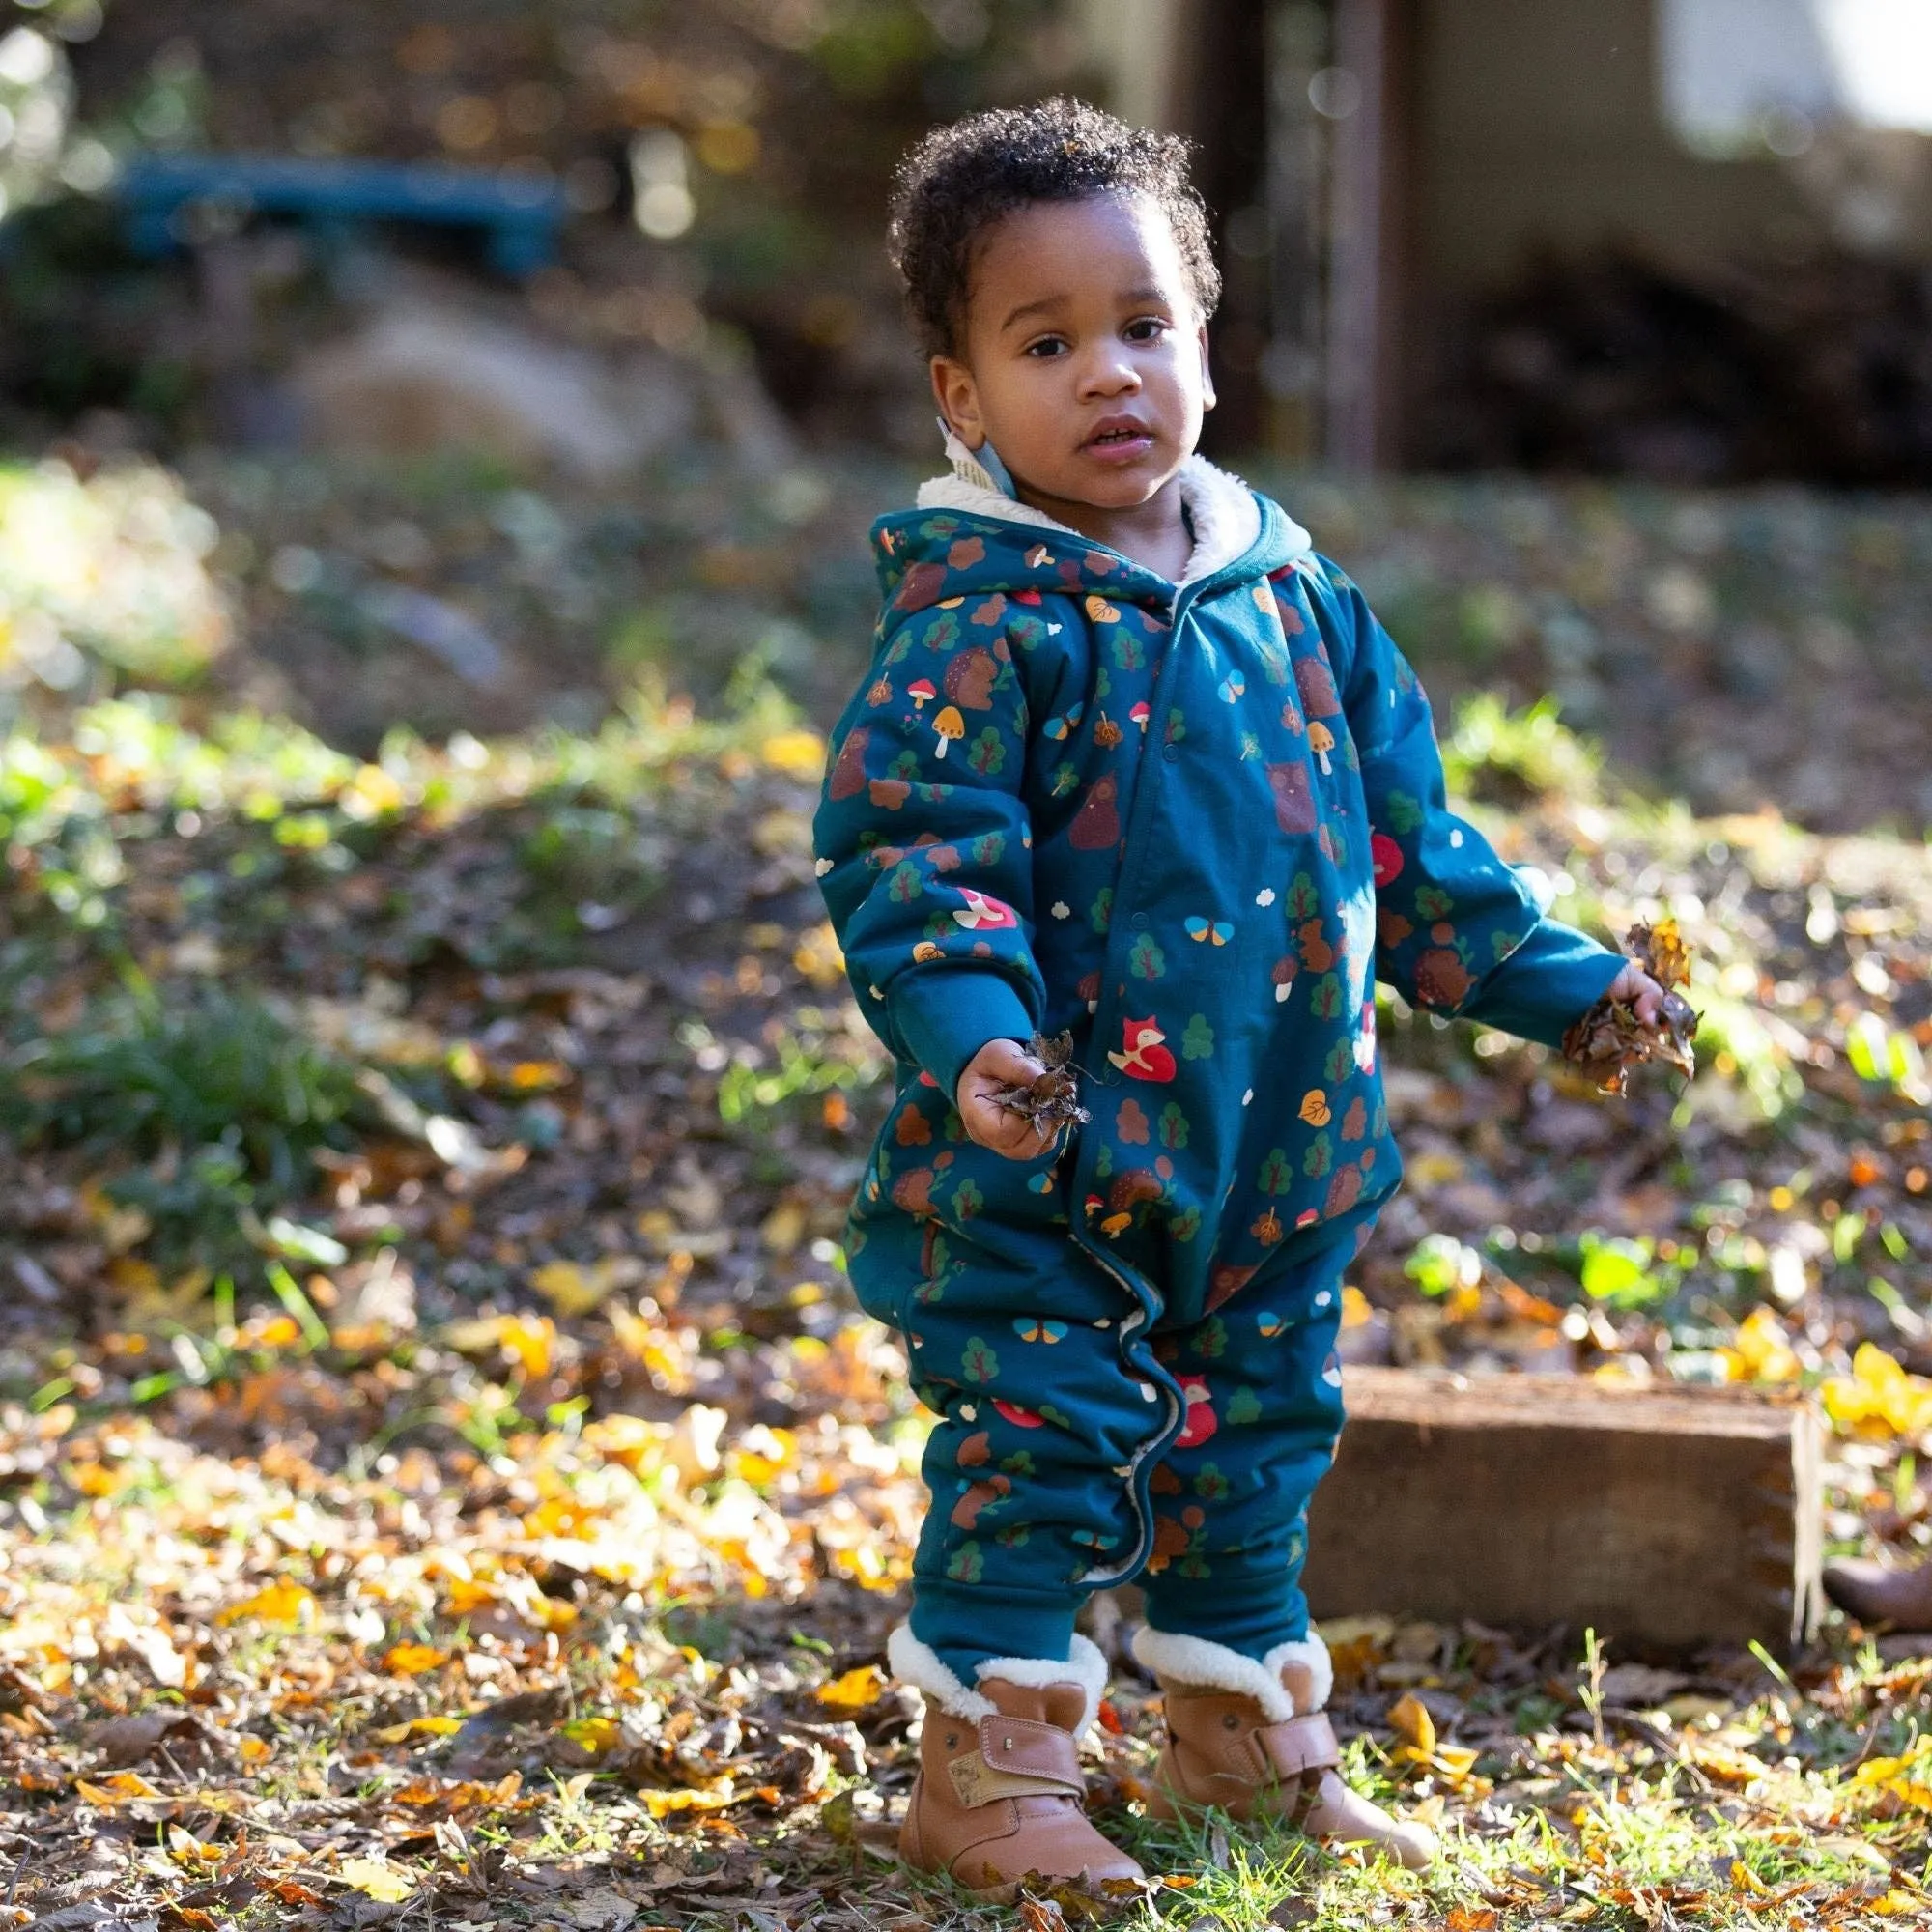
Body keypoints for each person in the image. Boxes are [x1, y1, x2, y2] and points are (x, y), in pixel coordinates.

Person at [810, 97, 1665, 1899]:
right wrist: (977, 1051)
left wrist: (1567, 987)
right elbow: (914, 862)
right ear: (963, 397)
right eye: (1045, 345)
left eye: (1145, 327)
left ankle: (1239, 1749)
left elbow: (1413, 854)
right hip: (1043, 1146)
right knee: (1039, 1447)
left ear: (1207, 336)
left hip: (1276, 1141)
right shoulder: (985, 622)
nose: (1108, 374)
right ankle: (993, 1765)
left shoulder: (1298, 598)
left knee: (1252, 1441)